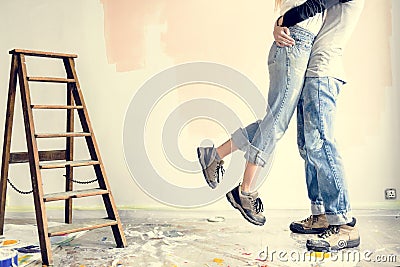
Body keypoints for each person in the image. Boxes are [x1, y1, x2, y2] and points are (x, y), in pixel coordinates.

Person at [197, 0, 347, 226]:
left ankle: (215, 155)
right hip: (294, 43)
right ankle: (245, 191)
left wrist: (280, 22)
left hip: (297, 43)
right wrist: (281, 22)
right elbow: (313, 6)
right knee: (275, 123)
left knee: (274, 121)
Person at [274, 0, 364, 251]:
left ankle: (344, 224)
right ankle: (322, 214)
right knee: (307, 146)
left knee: (321, 144)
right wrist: (280, 24)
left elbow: (312, 6)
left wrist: (282, 21)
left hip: (324, 71)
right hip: (312, 71)